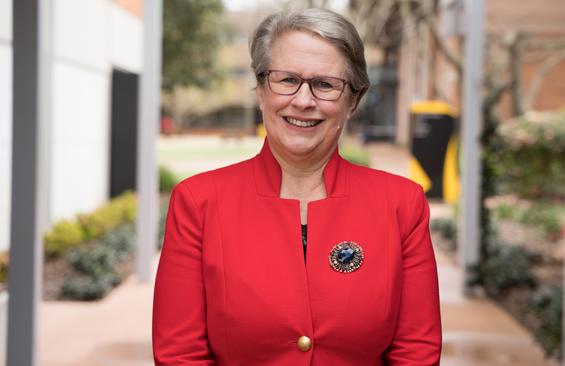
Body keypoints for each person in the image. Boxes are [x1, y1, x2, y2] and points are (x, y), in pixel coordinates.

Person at [153, 8, 441, 365]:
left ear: (353, 101)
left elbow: (416, 353)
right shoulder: (198, 203)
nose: (303, 101)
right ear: (260, 91)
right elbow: (180, 355)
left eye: (325, 85)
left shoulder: (400, 204)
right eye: (287, 80)